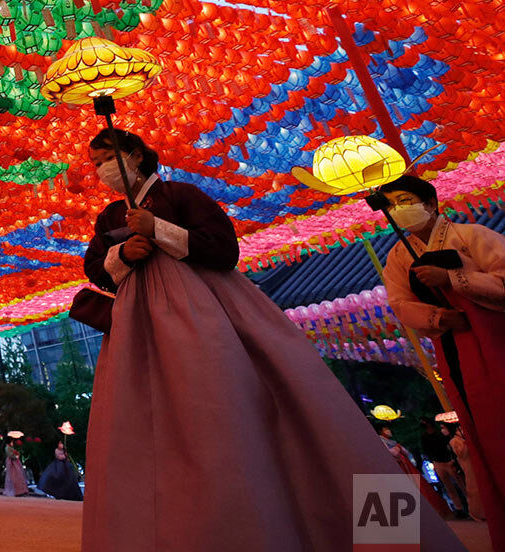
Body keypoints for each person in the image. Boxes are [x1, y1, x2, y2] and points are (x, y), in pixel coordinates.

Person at [80, 129, 464, 552]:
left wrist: (159, 229)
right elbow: (96, 268)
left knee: (248, 405)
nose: (102, 170)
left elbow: (224, 251)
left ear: (134, 154)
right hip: (144, 328)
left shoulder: (182, 195)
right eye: (95, 163)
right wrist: (124, 255)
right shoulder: (110, 217)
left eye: (105, 158)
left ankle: (385, 533)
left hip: (210, 315)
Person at [380, 174, 505, 547]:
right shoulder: (398, 256)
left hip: (495, 336)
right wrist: (438, 318)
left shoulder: (474, 236)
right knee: (481, 426)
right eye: (391, 205)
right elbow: (400, 304)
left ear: (431, 203)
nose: (399, 210)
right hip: (455, 347)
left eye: (405, 199)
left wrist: (452, 278)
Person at [423, 421, 469, 519]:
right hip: (438, 461)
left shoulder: (440, 435)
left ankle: (468, 505)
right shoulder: (425, 436)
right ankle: (459, 508)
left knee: (460, 484)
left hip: (447, 461)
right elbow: (426, 449)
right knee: (450, 487)